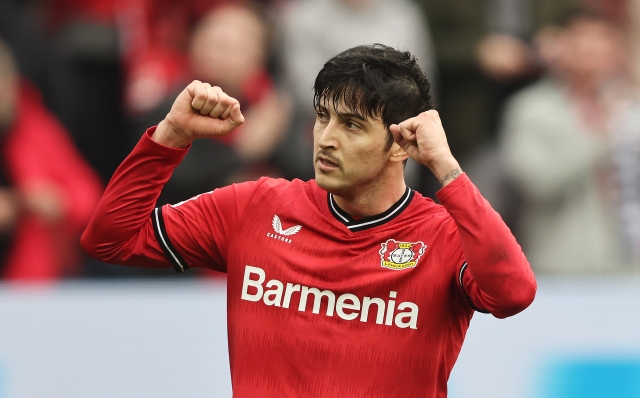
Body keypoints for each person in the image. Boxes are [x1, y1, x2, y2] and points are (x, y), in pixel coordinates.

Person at [82, 44, 536, 397]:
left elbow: (513, 294)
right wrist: (171, 137)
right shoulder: (255, 207)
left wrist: (448, 171)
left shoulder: (441, 235)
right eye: (323, 117)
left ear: (401, 143)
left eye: (353, 125)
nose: (327, 139)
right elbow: (112, 240)